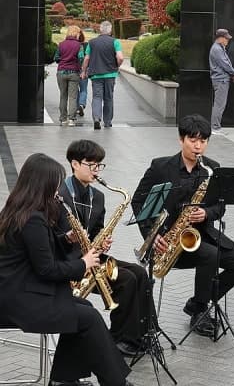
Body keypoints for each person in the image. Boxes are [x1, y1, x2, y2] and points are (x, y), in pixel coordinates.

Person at [0, 153, 132, 386]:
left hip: (19, 291)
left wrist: (67, 239)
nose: (57, 192)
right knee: (88, 317)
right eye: (54, 185)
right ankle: (114, 382)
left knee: (84, 308)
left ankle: (64, 379)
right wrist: (84, 264)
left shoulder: (20, 210)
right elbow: (47, 270)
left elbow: (37, 250)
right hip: (19, 301)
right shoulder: (33, 218)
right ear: (42, 185)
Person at [131, 114, 234, 338]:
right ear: (181, 139)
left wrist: (206, 212)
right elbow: (138, 201)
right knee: (209, 254)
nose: (198, 146)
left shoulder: (211, 168)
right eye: (193, 140)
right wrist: (152, 233)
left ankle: (199, 302)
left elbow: (220, 206)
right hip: (167, 239)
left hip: (201, 234)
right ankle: (199, 312)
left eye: (203, 141)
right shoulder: (161, 167)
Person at [56, 139, 153, 357]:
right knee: (126, 279)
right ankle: (118, 340)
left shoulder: (97, 197)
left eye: (99, 165)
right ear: (75, 164)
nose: (96, 170)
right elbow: (50, 235)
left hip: (93, 256)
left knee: (139, 272)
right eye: (91, 165)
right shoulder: (59, 195)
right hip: (71, 262)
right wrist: (67, 238)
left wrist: (104, 240)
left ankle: (141, 334)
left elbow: (97, 228)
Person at [81, 20, 124, 130]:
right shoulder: (115, 42)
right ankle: (108, 122)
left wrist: (84, 71)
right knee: (108, 98)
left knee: (97, 97)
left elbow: (86, 58)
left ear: (100, 29)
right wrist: (117, 65)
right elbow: (120, 57)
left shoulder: (92, 42)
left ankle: (96, 118)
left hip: (96, 75)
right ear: (110, 31)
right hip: (110, 74)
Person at [208, 28, 234, 136]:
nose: (227, 40)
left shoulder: (219, 48)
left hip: (221, 79)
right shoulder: (217, 49)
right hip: (221, 80)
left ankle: (215, 127)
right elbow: (225, 64)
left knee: (219, 104)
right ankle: (215, 128)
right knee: (219, 104)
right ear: (220, 38)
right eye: (226, 38)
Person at [55, 25, 84, 126]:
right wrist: (80, 68)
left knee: (63, 96)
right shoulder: (79, 45)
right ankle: (71, 119)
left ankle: (63, 119)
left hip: (61, 72)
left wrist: (63, 60)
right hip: (73, 73)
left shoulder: (61, 44)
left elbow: (56, 58)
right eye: (79, 33)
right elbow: (81, 58)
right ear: (76, 33)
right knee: (73, 97)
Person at [76, 30, 88, 117]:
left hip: (74, 69)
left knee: (75, 89)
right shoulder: (86, 45)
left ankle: (77, 107)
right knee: (83, 89)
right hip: (84, 69)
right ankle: (81, 104)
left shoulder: (71, 44)